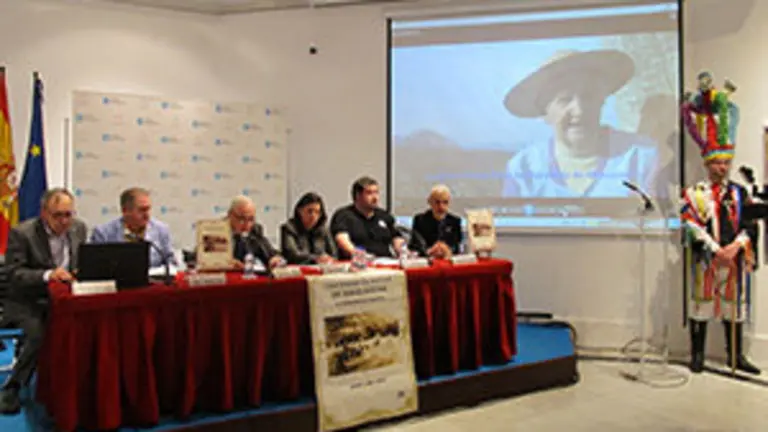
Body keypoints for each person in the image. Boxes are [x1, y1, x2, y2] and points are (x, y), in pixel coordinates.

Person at [680, 71, 760, 375]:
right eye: (716, 162)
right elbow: (689, 222)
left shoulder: (741, 193)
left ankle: (735, 356)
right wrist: (715, 248)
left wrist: (736, 246)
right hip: (707, 259)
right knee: (700, 304)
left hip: (735, 260)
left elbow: (750, 225)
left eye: (725, 162)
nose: (721, 167)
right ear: (707, 163)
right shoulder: (695, 193)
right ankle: (697, 355)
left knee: (733, 307)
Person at [501, 49, 658, 198]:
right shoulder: (523, 168)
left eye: (588, 97)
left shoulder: (641, 157)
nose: (579, 110)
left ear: (601, 102)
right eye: (565, 99)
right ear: (545, 114)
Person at [0, 189, 87, 414]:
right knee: (38, 333)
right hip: (26, 300)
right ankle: (12, 387)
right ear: (44, 213)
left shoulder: (79, 228)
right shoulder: (23, 233)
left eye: (69, 214)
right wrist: (48, 275)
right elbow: (13, 274)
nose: (65, 221)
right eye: (58, 215)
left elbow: (80, 262)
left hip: (65, 297)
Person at [89, 187, 175, 268]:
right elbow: (95, 267)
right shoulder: (103, 233)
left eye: (148, 209)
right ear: (125, 211)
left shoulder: (161, 230)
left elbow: (170, 262)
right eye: (142, 210)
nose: (147, 215)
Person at [330, 176, 405, 260]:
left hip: (385, 262)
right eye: (369, 193)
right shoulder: (343, 215)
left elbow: (396, 237)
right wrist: (360, 255)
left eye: (376, 192)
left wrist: (401, 250)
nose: (375, 197)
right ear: (358, 195)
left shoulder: (384, 215)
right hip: (358, 263)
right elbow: (342, 241)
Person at [227, 195, 284, 269]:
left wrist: (276, 260)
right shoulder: (217, 230)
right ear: (230, 215)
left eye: (251, 219)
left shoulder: (255, 230)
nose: (247, 224)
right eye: (242, 219)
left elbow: (272, 254)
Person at [280, 192, 337, 265]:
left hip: (321, 270)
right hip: (298, 271)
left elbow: (334, 254)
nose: (313, 216)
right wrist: (317, 258)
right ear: (299, 211)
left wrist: (327, 259)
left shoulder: (324, 230)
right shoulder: (288, 228)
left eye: (317, 212)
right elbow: (292, 255)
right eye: (310, 211)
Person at [411, 185, 462, 258]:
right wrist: (430, 251)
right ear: (430, 202)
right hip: (426, 260)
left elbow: (456, 247)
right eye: (437, 202)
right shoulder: (420, 220)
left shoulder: (455, 221)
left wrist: (447, 250)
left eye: (445, 202)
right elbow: (417, 245)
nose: (441, 206)